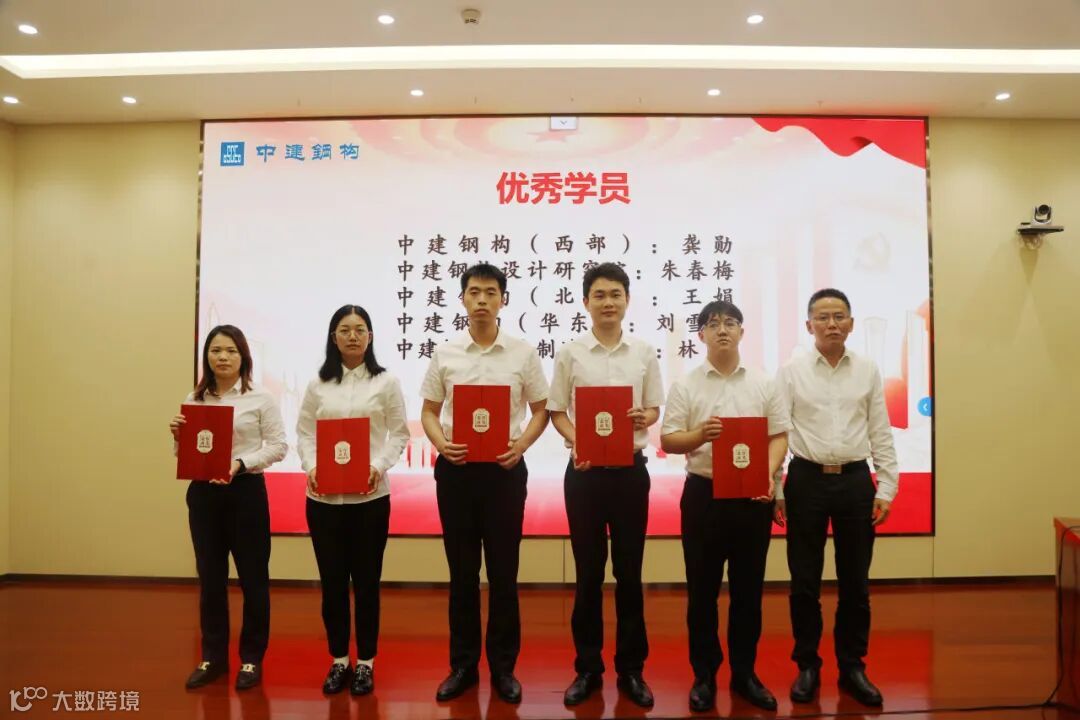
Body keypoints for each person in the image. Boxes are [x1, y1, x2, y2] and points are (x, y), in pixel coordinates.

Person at [419, 262, 550, 704]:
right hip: (456, 472)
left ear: (502, 300)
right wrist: (441, 444)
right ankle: (462, 665)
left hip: (503, 473)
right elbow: (429, 411)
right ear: (462, 299)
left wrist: (521, 446)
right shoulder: (446, 353)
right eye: (474, 292)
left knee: (503, 573)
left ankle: (504, 668)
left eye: (490, 292)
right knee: (462, 574)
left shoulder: (522, 354)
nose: (481, 299)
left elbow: (541, 409)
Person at [660, 300, 790, 713]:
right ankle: (704, 675)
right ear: (701, 335)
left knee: (748, 592)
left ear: (742, 332)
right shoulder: (686, 385)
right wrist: (700, 435)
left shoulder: (764, 383)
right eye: (713, 324)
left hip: (751, 498)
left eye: (730, 323)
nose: (722, 330)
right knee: (701, 593)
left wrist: (767, 475)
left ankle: (744, 673)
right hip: (704, 497)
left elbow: (779, 436)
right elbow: (668, 440)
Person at [547, 262, 664, 709]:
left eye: (615, 294)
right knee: (588, 575)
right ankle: (588, 668)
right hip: (585, 475)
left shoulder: (644, 352)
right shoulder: (570, 353)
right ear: (586, 302)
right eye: (599, 295)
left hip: (631, 474)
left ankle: (632, 669)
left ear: (627, 300)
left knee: (629, 574)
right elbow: (558, 411)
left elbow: (653, 409)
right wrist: (579, 440)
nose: (608, 302)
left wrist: (642, 417)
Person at [775, 288, 899, 707]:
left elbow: (880, 428)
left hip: (855, 481)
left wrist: (887, 487)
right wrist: (777, 487)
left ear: (851, 323)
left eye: (839, 316)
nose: (831, 324)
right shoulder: (791, 371)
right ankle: (807, 665)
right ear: (808, 325)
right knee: (804, 582)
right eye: (823, 317)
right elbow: (779, 431)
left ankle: (852, 666)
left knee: (855, 582)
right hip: (805, 480)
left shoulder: (867, 369)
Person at [296, 305, 409, 696]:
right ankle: (339, 659)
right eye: (345, 330)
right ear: (334, 337)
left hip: (370, 499)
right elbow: (305, 433)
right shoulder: (318, 384)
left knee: (366, 583)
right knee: (331, 584)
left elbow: (399, 433)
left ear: (370, 337)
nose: (353, 336)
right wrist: (311, 466)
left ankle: (366, 663)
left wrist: (378, 465)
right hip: (323, 500)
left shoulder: (386, 382)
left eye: (360, 329)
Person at [170, 325, 287, 691]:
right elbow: (186, 455)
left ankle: (251, 658)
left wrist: (240, 463)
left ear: (243, 357)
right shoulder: (195, 398)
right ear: (207, 356)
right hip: (204, 495)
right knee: (210, 579)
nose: (222, 357)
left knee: (253, 579)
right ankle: (213, 657)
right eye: (216, 350)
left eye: (231, 351)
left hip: (245, 493)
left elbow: (279, 446)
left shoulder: (260, 398)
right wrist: (178, 438)